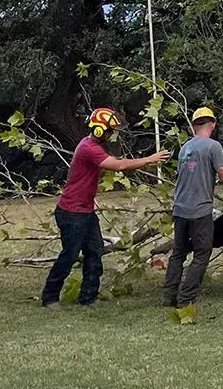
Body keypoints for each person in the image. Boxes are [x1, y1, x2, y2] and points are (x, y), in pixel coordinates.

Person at [40, 107, 166, 308]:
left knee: (95, 251)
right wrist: (150, 159)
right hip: (72, 212)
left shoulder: (93, 146)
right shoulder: (89, 148)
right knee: (70, 255)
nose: (111, 135)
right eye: (109, 131)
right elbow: (119, 166)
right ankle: (50, 297)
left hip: (85, 211)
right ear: (99, 129)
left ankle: (88, 298)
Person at [162, 107, 223, 323]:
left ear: (193, 126)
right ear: (212, 124)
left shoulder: (185, 148)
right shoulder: (213, 146)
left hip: (180, 208)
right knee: (202, 253)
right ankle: (186, 298)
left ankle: (169, 295)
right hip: (200, 210)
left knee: (178, 252)